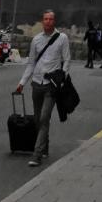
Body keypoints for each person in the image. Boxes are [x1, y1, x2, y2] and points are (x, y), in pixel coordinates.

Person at [14, 11, 71, 168]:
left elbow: (67, 60)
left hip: (51, 86)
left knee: (44, 118)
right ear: (42, 21)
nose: (48, 21)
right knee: (38, 119)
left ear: (54, 21)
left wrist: (62, 78)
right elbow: (31, 63)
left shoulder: (62, 38)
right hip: (36, 84)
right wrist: (22, 82)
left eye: (50, 19)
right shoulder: (36, 40)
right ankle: (44, 146)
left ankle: (37, 154)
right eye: (45, 19)